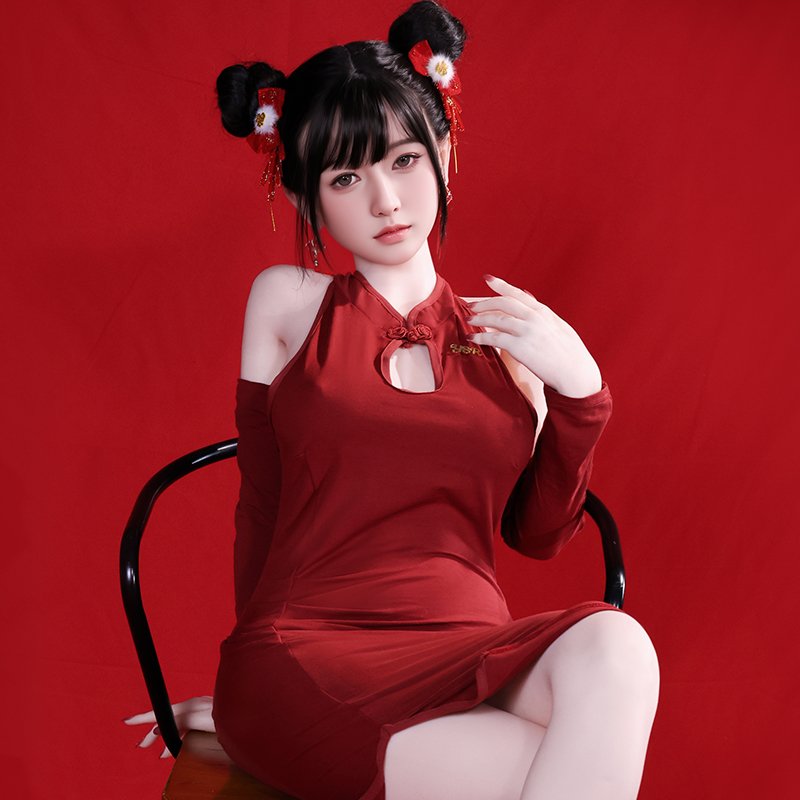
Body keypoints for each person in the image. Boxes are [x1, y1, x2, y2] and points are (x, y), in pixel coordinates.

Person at [124, 2, 659, 798]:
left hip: (467, 652)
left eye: (404, 161)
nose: (385, 201)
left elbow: (540, 535)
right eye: (346, 177)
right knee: (556, 765)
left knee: (619, 649)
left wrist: (580, 391)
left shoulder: (509, 340)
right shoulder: (288, 302)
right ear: (303, 197)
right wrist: (248, 707)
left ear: (443, 151)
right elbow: (261, 504)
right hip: (306, 654)